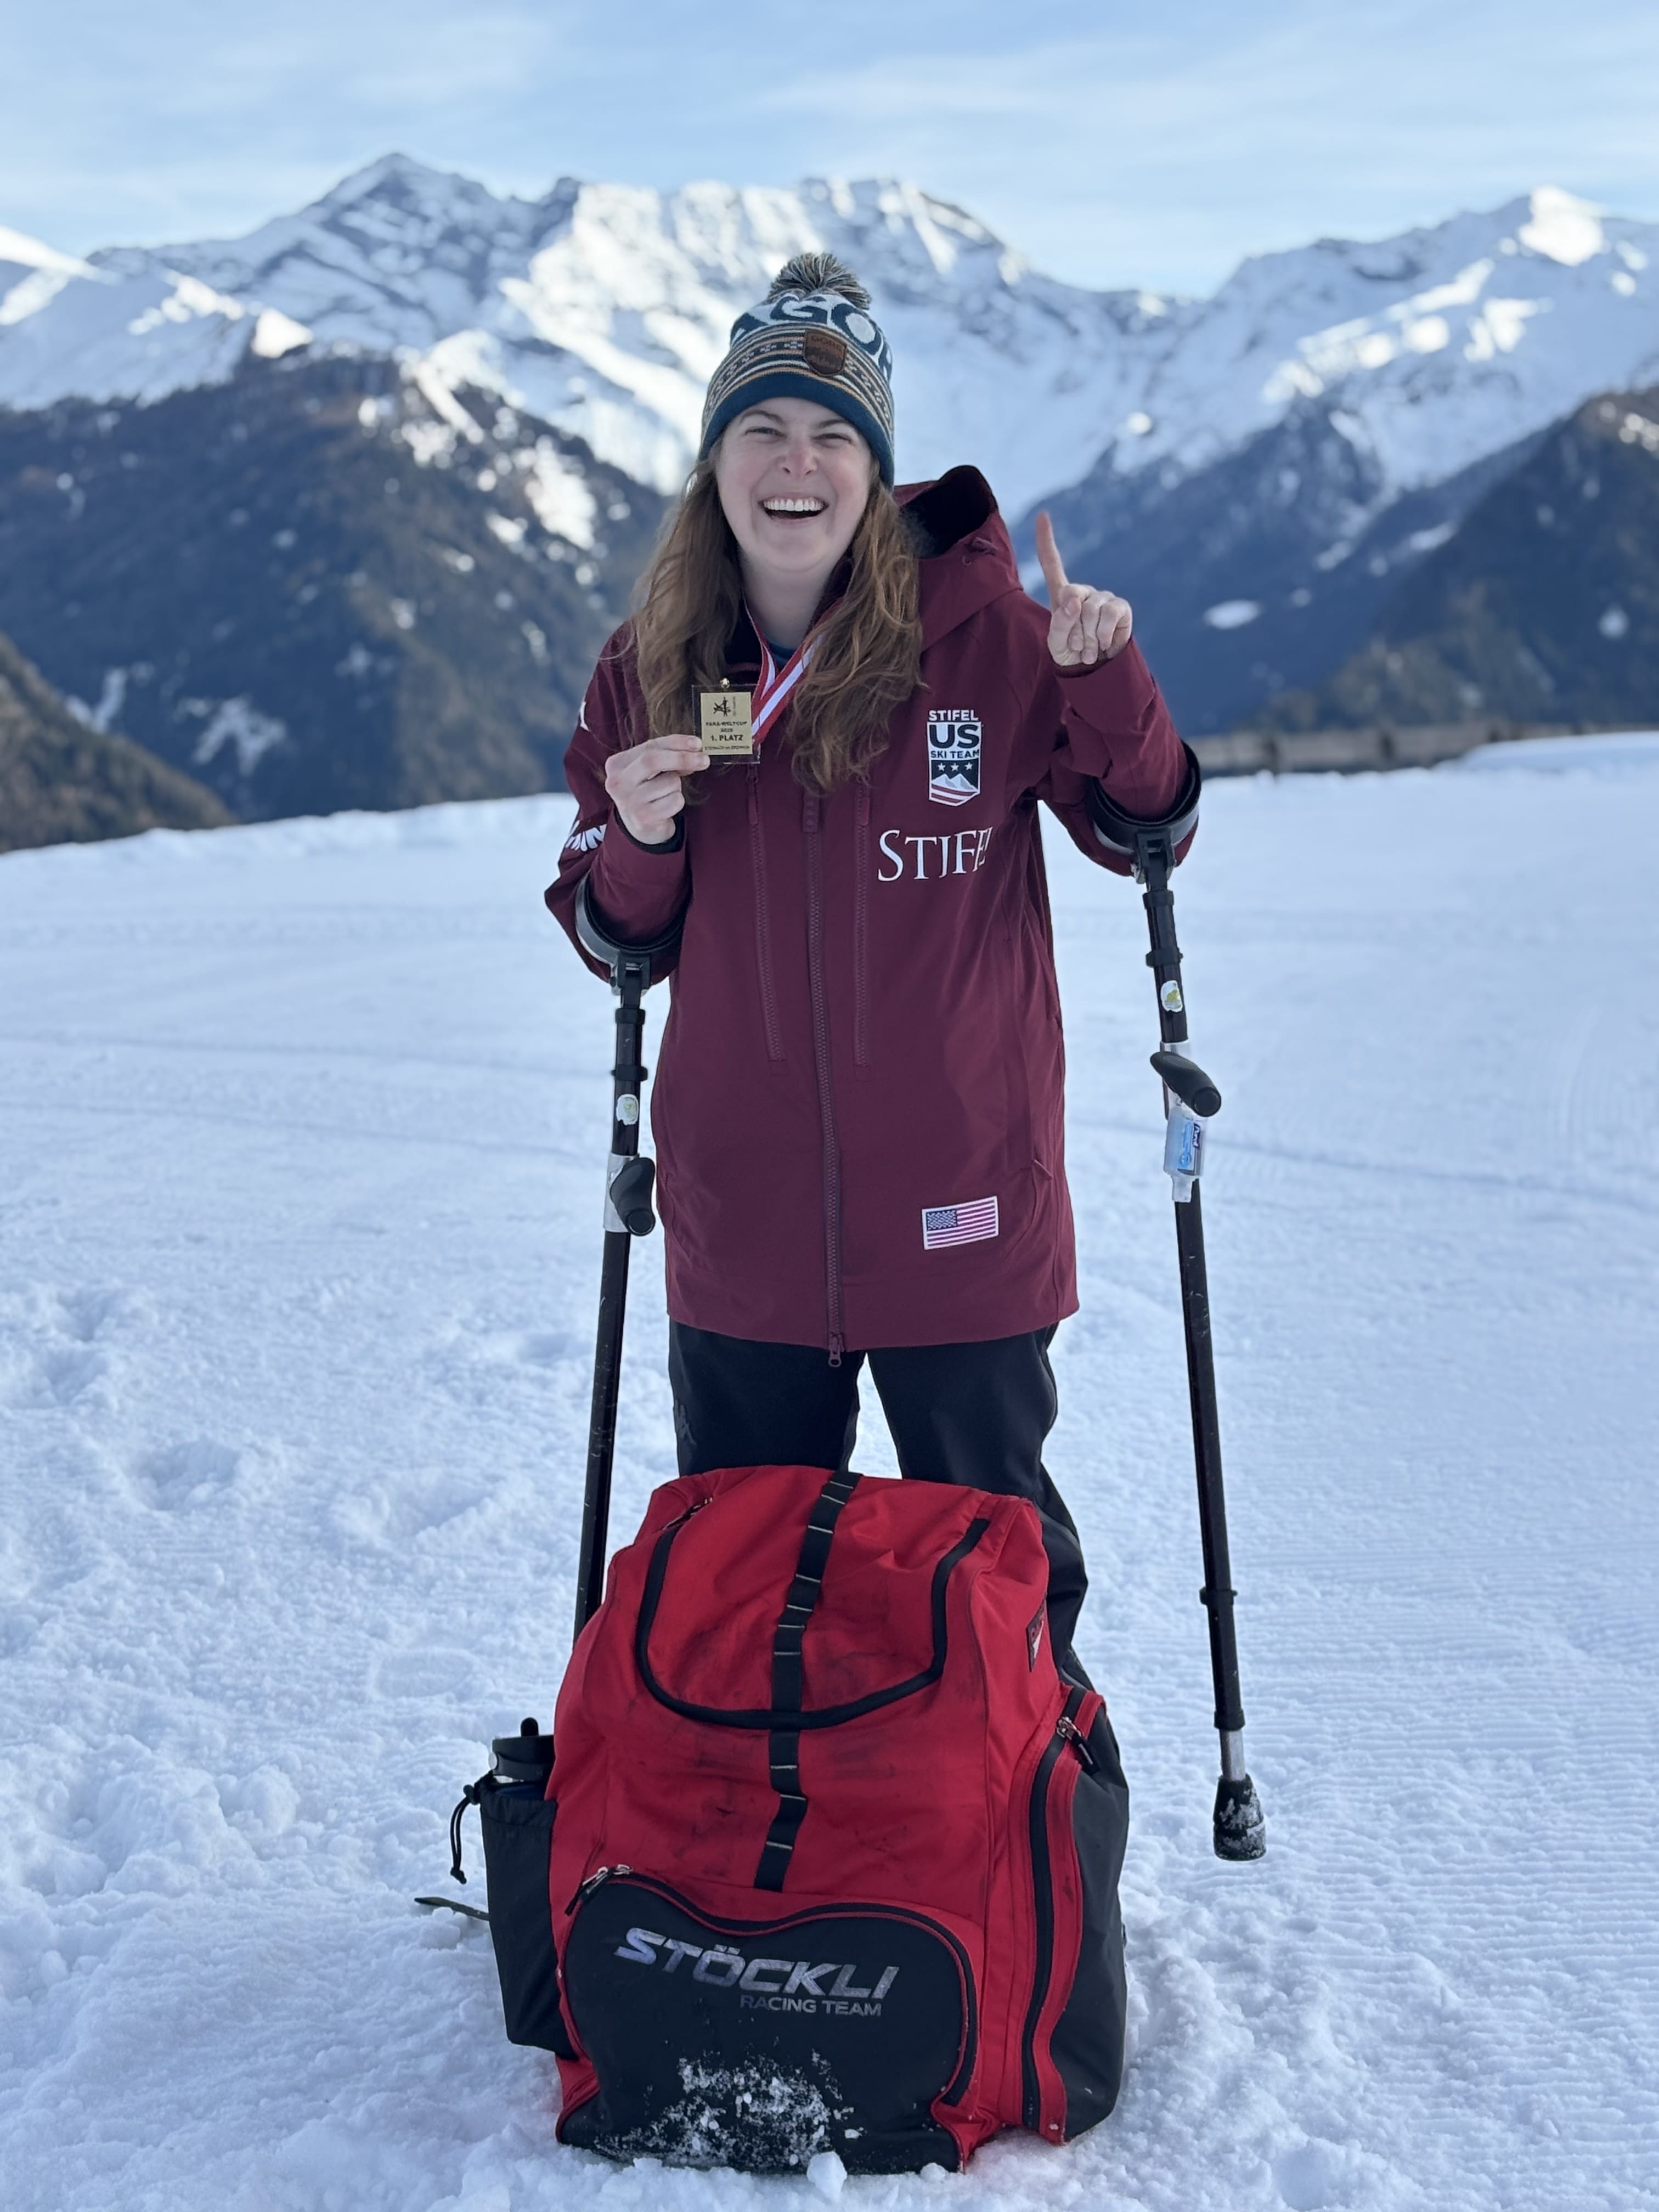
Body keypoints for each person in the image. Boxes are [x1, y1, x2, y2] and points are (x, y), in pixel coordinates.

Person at [548, 253, 1193, 1687]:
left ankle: (1029, 1882)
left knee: (996, 1597)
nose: (799, 465)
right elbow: (613, 933)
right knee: (733, 1600)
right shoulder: (648, 669)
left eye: (834, 436)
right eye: (764, 430)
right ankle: (736, 1886)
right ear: (717, 460)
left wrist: (1109, 680)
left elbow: (1144, 828)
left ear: (876, 466)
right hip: (746, 1232)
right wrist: (641, 840)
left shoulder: (990, 644)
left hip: (964, 1221)